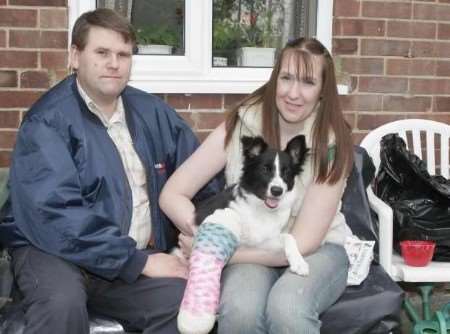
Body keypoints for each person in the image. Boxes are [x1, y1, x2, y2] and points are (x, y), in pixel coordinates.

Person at [0, 8, 217, 334]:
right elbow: (55, 214)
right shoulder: (47, 121)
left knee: (188, 303)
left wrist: (203, 234)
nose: (114, 63)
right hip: (54, 253)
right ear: (75, 56)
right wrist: (139, 261)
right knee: (61, 304)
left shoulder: (155, 115)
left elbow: (203, 184)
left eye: (123, 54)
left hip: (127, 265)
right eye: (102, 53)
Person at [159, 37, 355, 334]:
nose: (293, 93)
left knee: (287, 308)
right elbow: (172, 194)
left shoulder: (331, 143)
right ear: (275, 79)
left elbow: (302, 243)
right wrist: (206, 234)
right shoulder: (241, 125)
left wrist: (218, 252)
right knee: (240, 310)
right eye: (286, 78)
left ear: (322, 93)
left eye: (308, 82)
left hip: (317, 250)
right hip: (251, 242)